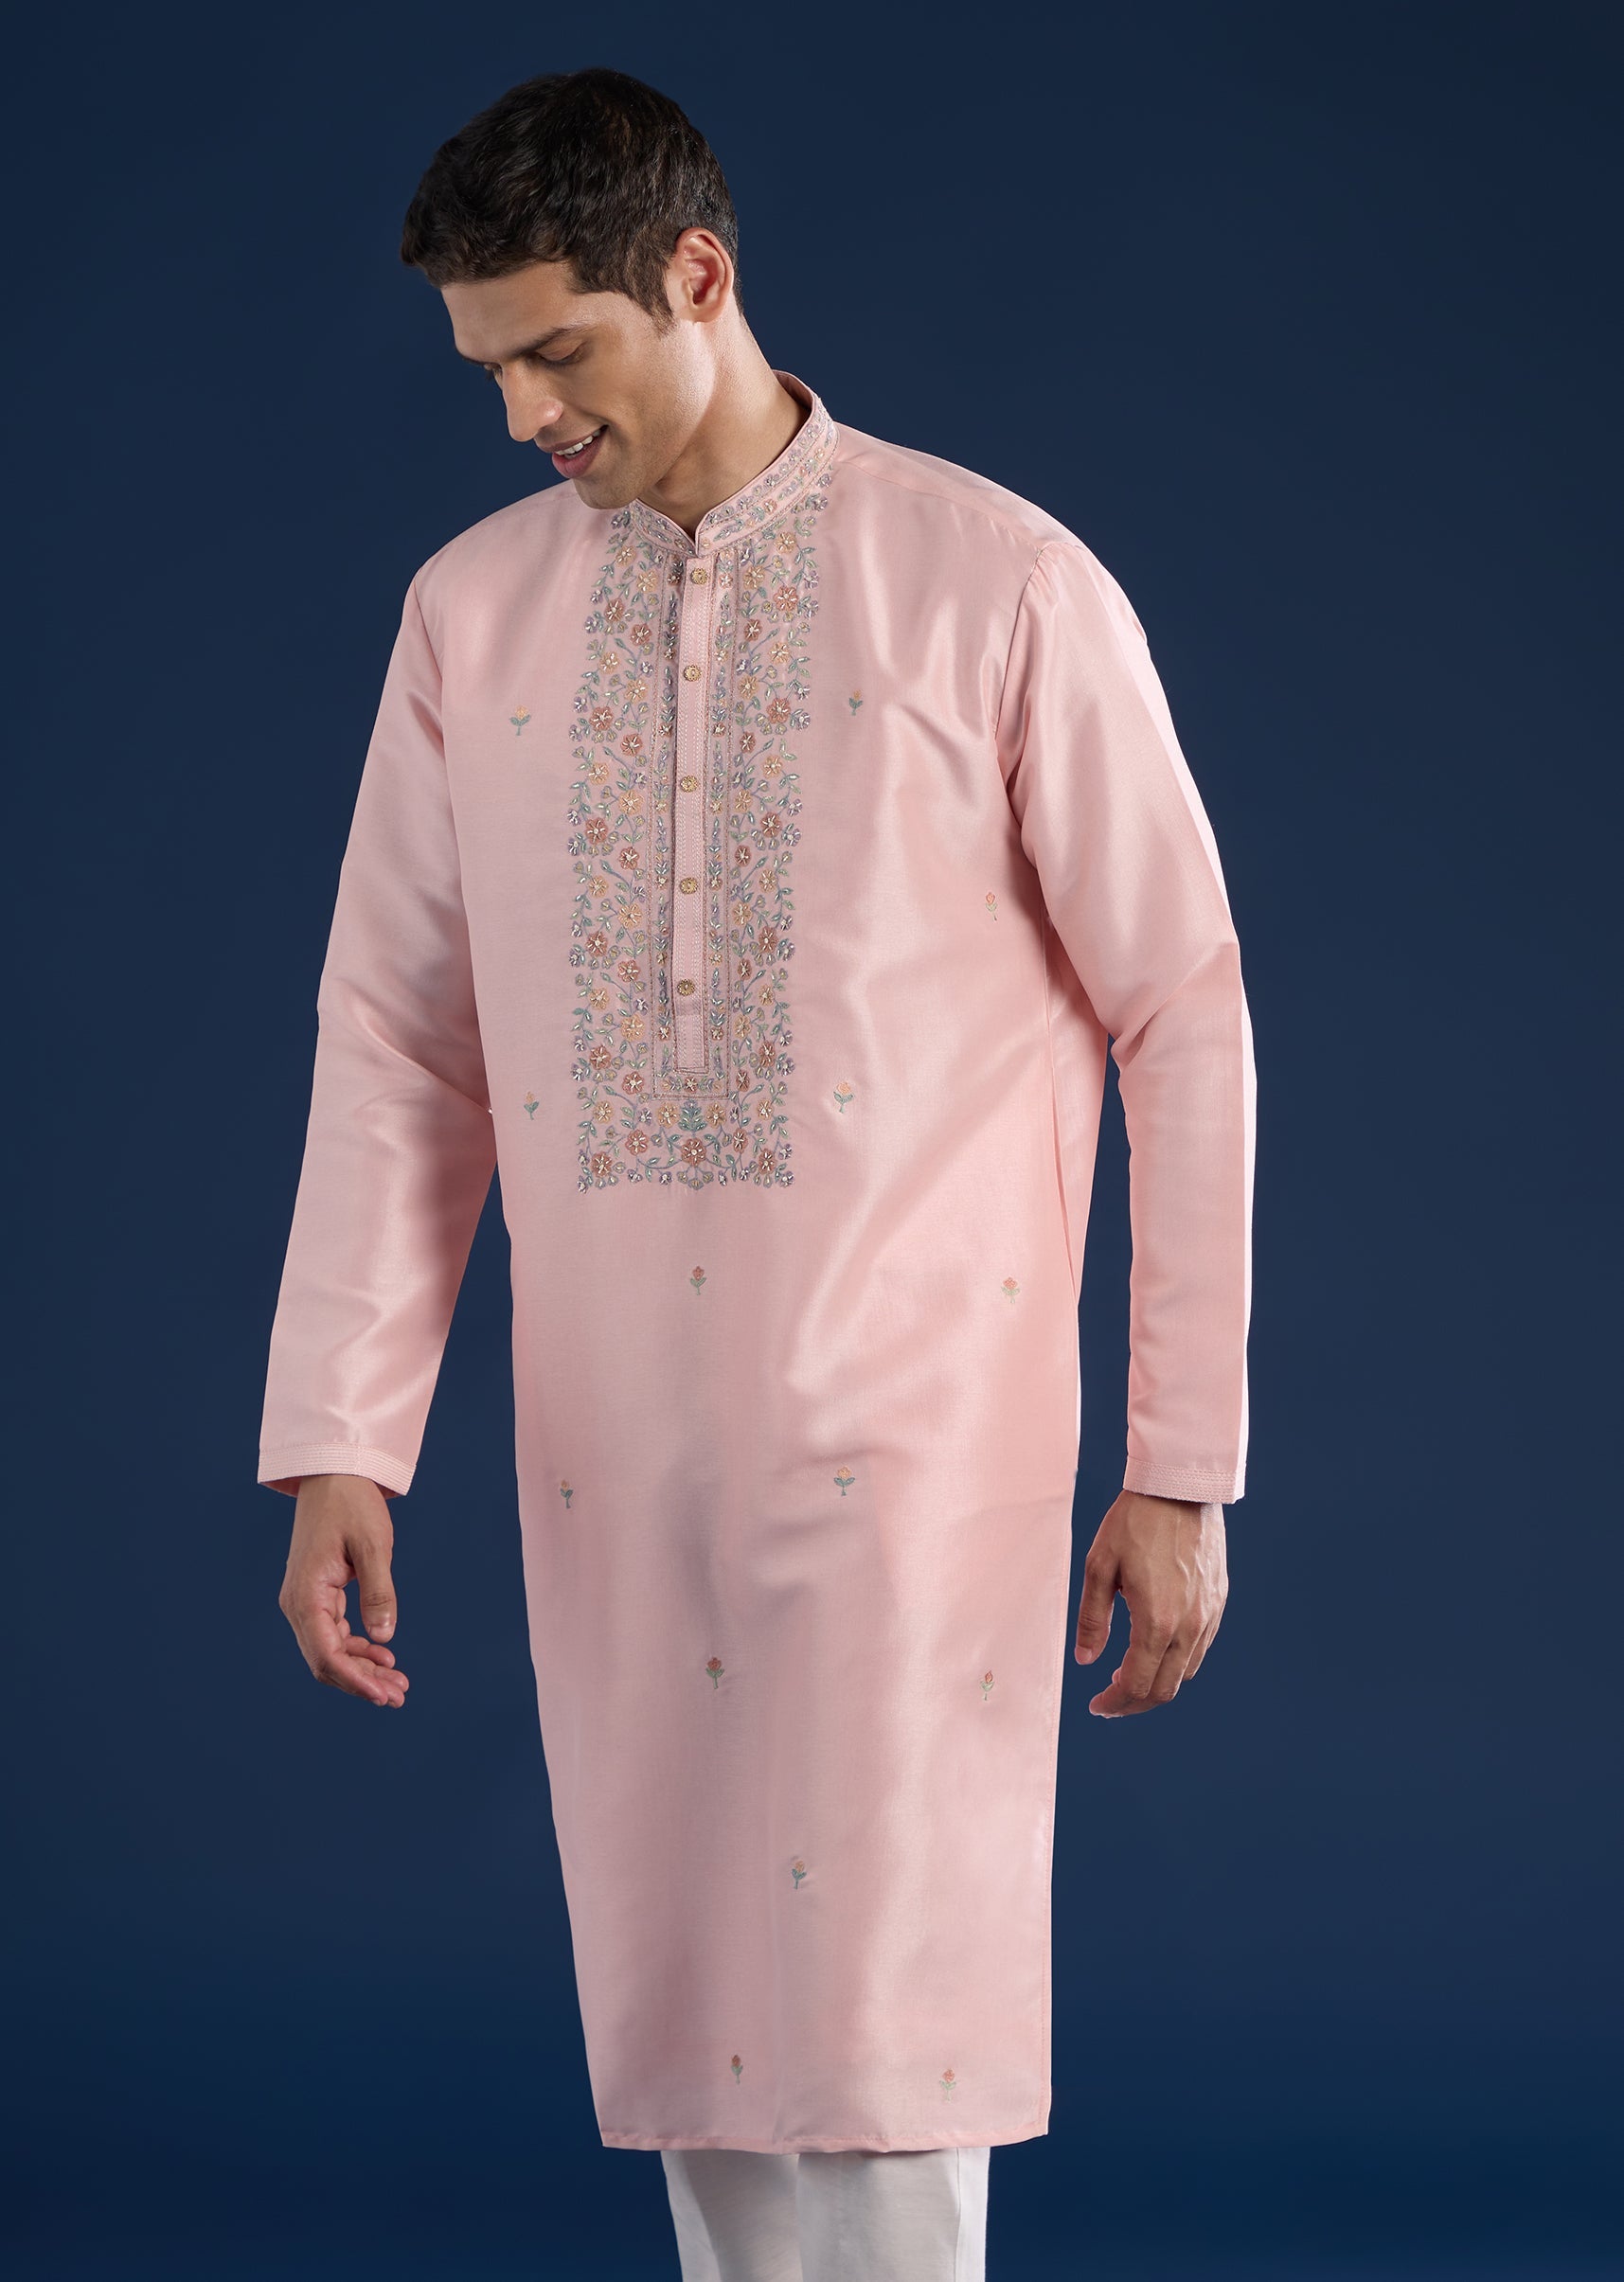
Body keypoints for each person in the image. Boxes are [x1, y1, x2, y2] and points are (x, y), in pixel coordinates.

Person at [259, 63, 1255, 2282]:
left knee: (891, 2063)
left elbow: (1184, 1005)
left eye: (556, 350)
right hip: (620, 1454)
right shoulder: (470, 619)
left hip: (919, 1450)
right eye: (487, 368)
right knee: (703, 2050)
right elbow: (403, 1044)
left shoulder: (993, 582)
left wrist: (1181, 1460)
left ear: (697, 275)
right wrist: (343, 1431)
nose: (523, 414)